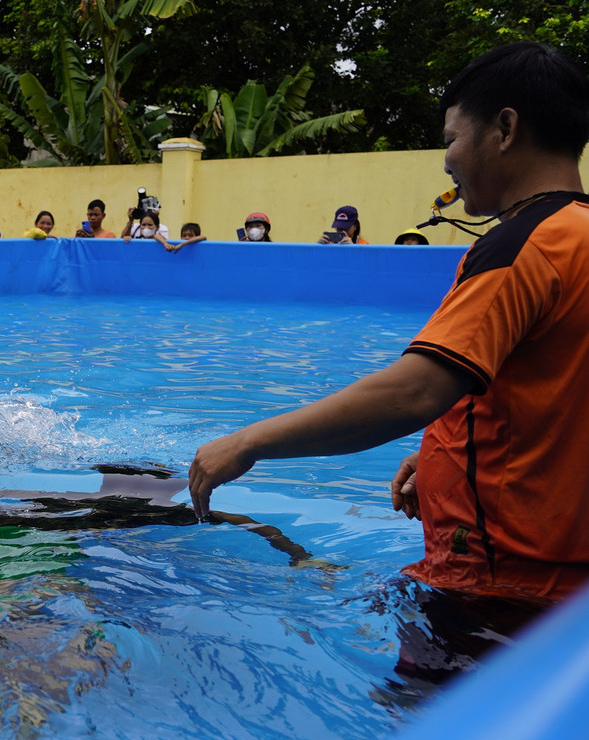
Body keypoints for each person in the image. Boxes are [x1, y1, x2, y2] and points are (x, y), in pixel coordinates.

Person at [190, 43, 589, 658]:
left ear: (505, 129)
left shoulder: (521, 247)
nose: (448, 162)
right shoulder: (580, 234)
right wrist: (436, 455)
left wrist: (248, 443)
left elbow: (413, 391)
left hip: (498, 581)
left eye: (453, 139)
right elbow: (547, 387)